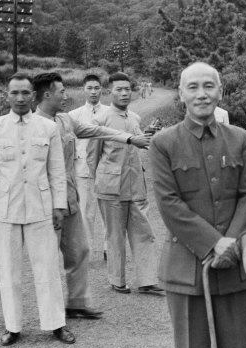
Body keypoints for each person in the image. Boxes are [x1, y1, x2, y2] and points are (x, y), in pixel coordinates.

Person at [149, 62, 246, 348]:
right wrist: (213, 243)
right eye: (193, 87)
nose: (201, 94)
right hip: (185, 271)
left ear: (220, 92)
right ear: (181, 94)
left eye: (208, 86)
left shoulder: (240, 139)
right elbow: (169, 204)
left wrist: (232, 243)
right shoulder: (164, 143)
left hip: (235, 267)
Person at [33, 72, 151, 318]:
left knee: (79, 251)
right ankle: (52, 316)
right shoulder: (33, 125)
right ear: (47, 95)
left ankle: (77, 304)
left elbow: (99, 131)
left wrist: (129, 138)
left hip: (69, 197)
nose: (66, 95)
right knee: (47, 259)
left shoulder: (65, 120)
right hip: (44, 202)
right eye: (62, 91)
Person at [0, 73, 75, 346]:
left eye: (25, 93)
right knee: (8, 271)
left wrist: (58, 205)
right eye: (14, 93)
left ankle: (56, 324)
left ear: (34, 95)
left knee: (47, 268)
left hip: (41, 208)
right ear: (6, 95)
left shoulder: (48, 128)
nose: (20, 98)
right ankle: (13, 327)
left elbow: (56, 170)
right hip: (6, 209)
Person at [89, 72, 163, 295]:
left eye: (127, 89)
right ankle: (117, 280)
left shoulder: (134, 118)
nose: (124, 93)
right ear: (108, 92)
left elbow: (143, 144)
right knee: (115, 235)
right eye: (119, 89)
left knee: (144, 232)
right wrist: (100, 182)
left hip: (136, 185)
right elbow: (92, 157)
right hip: (111, 187)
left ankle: (148, 280)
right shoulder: (100, 121)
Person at [68, 74, 109, 261]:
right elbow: (70, 146)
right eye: (90, 88)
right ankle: (87, 251)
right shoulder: (74, 115)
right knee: (85, 212)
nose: (93, 92)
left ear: (102, 89)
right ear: (83, 90)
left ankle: (110, 248)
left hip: (107, 170)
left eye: (97, 88)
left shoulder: (109, 113)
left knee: (108, 211)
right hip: (83, 169)